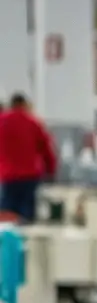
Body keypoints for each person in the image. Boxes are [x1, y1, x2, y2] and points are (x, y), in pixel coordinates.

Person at [0, 93, 57, 223]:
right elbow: (47, 150)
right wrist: (51, 171)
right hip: (29, 177)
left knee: (6, 217)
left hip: (8, 176)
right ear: (24, 104)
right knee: (26, 218)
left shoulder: (2, 121)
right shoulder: (33, 122)